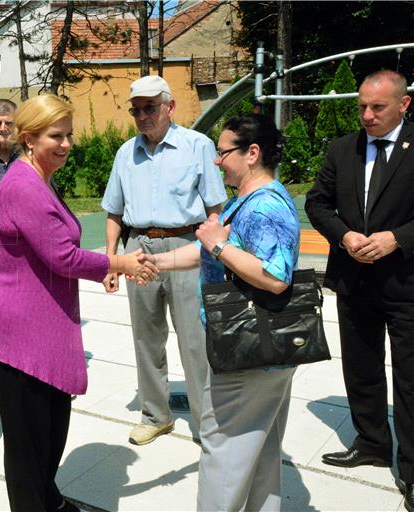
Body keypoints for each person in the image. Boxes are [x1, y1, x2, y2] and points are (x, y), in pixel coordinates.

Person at [0, 94, 156, 512]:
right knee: (28, 447)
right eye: (55, 136)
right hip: (21, 337)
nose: (66, 144)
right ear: (28, 139)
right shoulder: (24, 185)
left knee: (49, 435)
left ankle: (49, 499)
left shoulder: (39, 178)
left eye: (69, 135)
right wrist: (120, 262)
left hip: (40, 330)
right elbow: (63, 256)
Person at [148, 114, 299, 510]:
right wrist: (153, 263)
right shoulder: (245, 201)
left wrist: (217, 245)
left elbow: (274, 276)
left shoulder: (264, 206)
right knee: (259, 448)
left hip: (247, 351)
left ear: (252, 153)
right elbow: (208, 253)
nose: (217, 161)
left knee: (223, 451)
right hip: (256, 351)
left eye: (223, 152)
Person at [305, 69, 413, 511]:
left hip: (406, 282)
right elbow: (316, 202)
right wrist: (344, 236)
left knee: (410, 379)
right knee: (361, 368)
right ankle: (370, 442)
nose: (367, 116)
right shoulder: (342, 149)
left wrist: (398, 238)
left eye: (377, 108)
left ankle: (411, 467)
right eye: (362, 108)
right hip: (354, 280)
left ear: (404, 105)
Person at [101, 75, 227, 445]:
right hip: (138, 247)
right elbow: (113, 213)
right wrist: (111, 260)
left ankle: (207, 421)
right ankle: (156, 414)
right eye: (136, 110)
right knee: (146, 337)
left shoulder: (197, 146)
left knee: (194, 337)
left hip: (185, 246)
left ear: (170, 107)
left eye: (150, 107)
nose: (143, 115)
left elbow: (215, 207)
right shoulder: (126, 153)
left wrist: (214, 253)